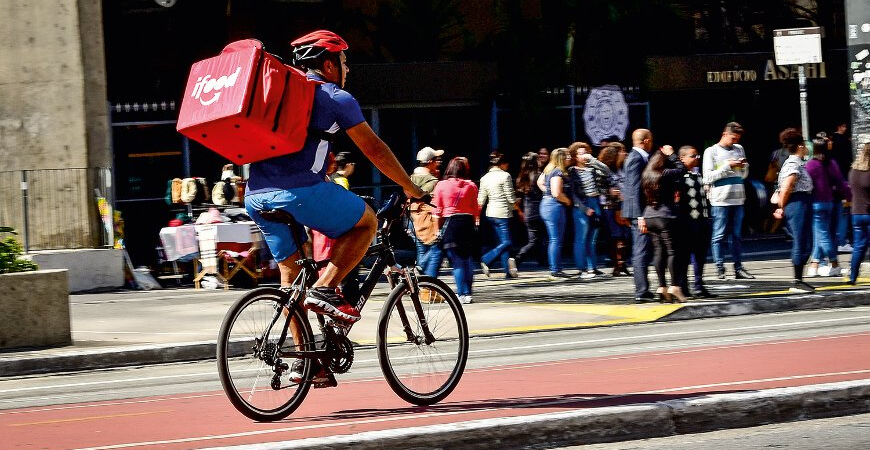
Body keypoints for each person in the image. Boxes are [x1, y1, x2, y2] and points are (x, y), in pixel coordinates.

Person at [245, 30, 425, 326]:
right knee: (367, 221)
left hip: (255, 195)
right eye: (343, 60)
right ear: (328, 66)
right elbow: (374, 149)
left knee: (290, 278)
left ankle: (307, 365)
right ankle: (325, 288)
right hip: (297, 192)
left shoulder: (280, 96)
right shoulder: (334, 97)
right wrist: (411, 187)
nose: (347, 68)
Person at [703, 122, 755, 280]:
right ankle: (720, 268)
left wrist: (744, 166)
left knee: (737, 235)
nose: (735, 141)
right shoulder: (711, 151)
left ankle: (738, 268)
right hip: (720, 200)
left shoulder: (739, 149)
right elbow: (708, 177)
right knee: (719, 235)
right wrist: (728, 165)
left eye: (738, 138)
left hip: (738, 198)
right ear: (724, 134)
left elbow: (743, 175)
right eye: (733, 138)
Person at [641, 145, 688, 302]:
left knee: (658, 251)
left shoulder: (647, 174)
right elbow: (682, 169)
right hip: (666, 215)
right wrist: (673, 155)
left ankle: (662, 286)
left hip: (650, 215)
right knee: (673, 251)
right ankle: (675, 286)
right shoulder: (665, 173)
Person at [772, 128, 815, 293]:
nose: (806, 149)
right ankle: (797, 281)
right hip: (797, 203)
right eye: (804, 145)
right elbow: (787, 187)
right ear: (800, 146)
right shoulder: (793, 163)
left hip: (802, 202)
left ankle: (799, 279)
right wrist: (781, 207)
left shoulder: (797, 162)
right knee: (801, 241)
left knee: (807, 242)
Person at [432, 157, 479, 304]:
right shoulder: (471, 185)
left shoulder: (441, 185)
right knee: (468, 260)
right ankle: (469, 293)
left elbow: (437, 211)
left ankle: (461, 293)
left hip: (451, 223)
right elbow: (475, 208)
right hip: (467, 223)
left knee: (457, 262)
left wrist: (436, 230)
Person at [805, 135, 851, 278]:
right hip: (830, 202)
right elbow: (841, 182)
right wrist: (850, 197)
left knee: (822, 235)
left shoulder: (810, 165)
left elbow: (806, 184)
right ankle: (814, 266)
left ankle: (834, 264)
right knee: (820, 234)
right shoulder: (832, 163)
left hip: (815, 203)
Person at [677, 145, 715, 298]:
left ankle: (699, 285)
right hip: (687, 222)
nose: (696, 159)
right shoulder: (679, 176)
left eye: (697, 156)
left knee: (700, 255)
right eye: (693, 156)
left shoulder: (698, 175)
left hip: (702, 220)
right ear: (682, 158)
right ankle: (683, 286)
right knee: (685, 256)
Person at [622, 129, 655, 301]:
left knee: (645, 250)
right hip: (639, 213)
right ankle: (641, 291)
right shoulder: (635, 158)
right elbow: (634, 189)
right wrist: (640, 215)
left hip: (641, 211)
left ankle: (645, 288)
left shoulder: (639, 157)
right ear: (647, 140)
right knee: (641, 251)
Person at [568, 150, 608, 278]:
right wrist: (584, 208)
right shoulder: (572, 171)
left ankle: (593, 267)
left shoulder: (593, 168)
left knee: (592, 238)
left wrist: (593, 160)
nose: (584, 155)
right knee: (581, 237)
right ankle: (582, 268)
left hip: (594, 201)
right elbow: (573, 193)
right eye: (580, 153)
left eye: (585, 152)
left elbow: (607, 171)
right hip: (582, 204)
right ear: (575, 156)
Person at [478, 151, 518, 278]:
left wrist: (477, 214)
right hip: (503, 213)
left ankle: (508, 271)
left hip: (490, 213)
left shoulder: (484, 178)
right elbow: (511, 198)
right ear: (502, 164)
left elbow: (481, 199)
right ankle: (486, 259)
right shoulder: (505, 176)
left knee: (502, 242)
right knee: (507, 242)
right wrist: (516, 207)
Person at [538, 148, 573, 279]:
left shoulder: (548, 170)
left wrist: (545, 192)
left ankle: (556, 268)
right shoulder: (557, 172)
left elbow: (540, 182)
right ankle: (555, 269)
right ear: (561, 158)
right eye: (567, 156)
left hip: (547, 205)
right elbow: (556, 193)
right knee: (555, 239)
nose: (570, 158)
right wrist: (568, 201)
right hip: (554, 206)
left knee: (554, 239)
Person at [409, 146, 444, 277]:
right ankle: (428, 288)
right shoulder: (433, 181)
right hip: (429, 219)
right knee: (436, 250)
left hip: (414, 220)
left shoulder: (411, 178)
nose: (438, 162)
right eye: (437, 159)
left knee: (422, 250)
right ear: (430, 162)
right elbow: (435, 202)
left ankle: (420, 287)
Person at [599, 142, 631, 277]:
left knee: (625, 236)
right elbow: (597, 187)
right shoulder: (605, 169)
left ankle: (622, 264)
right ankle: (617, 265)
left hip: (624, 206)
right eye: (622, 151)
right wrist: (609, 191)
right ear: (615, 153)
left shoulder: (623, 169)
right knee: (616, 237)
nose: (625, 153)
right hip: (610, 207)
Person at [514, 151, 547, 267]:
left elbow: (517, 199)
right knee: (536, 240)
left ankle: (543, 260)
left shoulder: (521, 177)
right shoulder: (538, 175)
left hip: (527, 211)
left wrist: (520, 211)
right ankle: (517, 259)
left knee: (537, 238)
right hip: (538, 210)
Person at [848, 142, 870, 285]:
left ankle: (853, 277)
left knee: (858, 246)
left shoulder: (853, 172)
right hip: (869, 213)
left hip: (856, 213)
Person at [831, 122, 854, 251]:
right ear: (839, 127)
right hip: (843, 180)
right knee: (844, 212)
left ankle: (838, 240)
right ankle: (842, 241)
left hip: (833, 185)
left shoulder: (831, 142)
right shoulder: (843, 142)